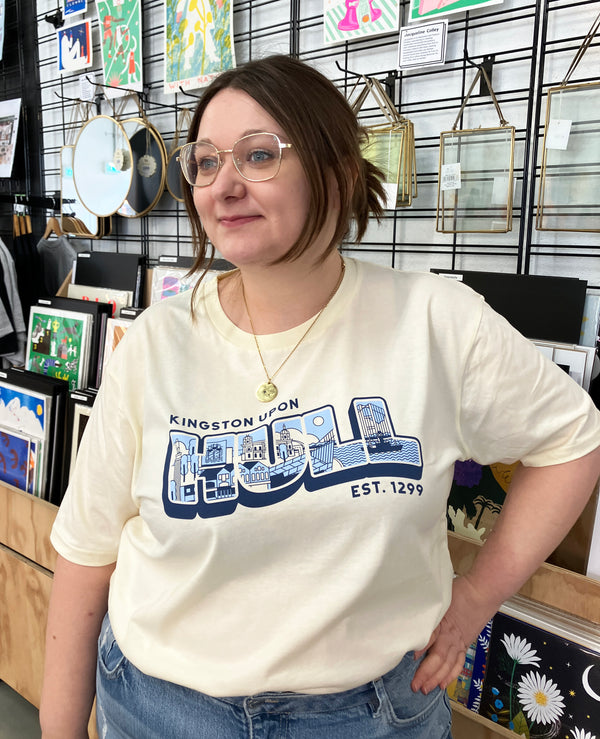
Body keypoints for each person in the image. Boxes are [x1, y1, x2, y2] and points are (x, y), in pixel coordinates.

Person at [40, 54, 600, 739]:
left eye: (259, 155)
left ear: (334, 169)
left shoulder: (434, 321)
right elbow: (85, 556)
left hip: (372, 717)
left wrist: (476, 597)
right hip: (160, 710)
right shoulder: (157, 344)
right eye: (207, 162)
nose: (225, 185)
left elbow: (574, 441)